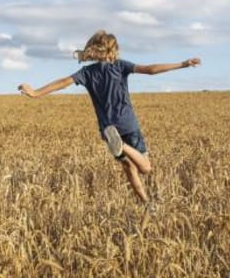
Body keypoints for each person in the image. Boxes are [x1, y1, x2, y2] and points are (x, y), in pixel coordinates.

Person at [18, 30, 201, 205]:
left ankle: (146, 204)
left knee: (129, 169)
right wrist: (182, 64)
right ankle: (126, 149)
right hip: (128, 125)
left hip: (108, 130)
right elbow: (150, 69)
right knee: (145, 168)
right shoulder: (120, 66)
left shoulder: (87, 73)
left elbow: (62, 83)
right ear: (113, 49)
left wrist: (35, 93)